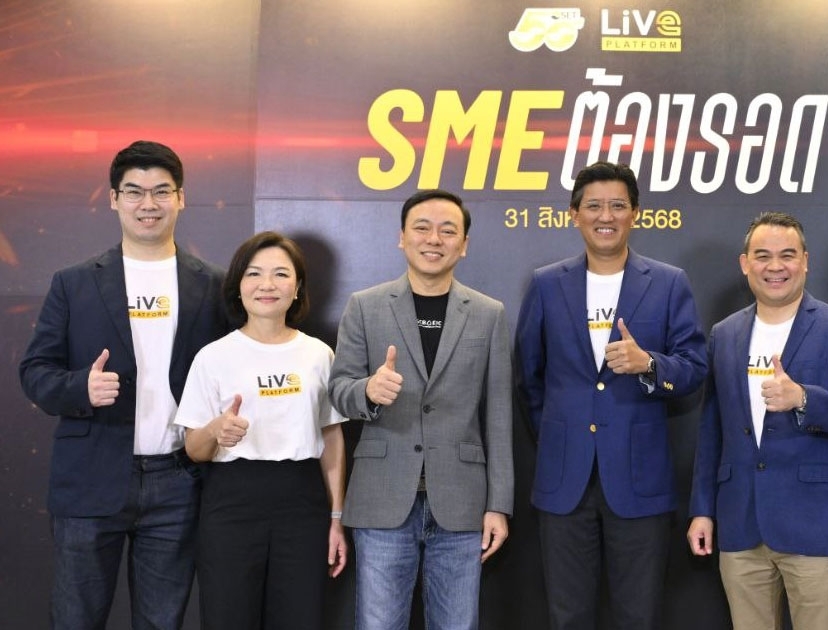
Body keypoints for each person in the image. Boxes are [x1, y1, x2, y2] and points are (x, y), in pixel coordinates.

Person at [18, 140, 229, 629]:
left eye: (161, 191)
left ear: (181, 198)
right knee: (76, 619)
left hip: (179, 481)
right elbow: (35, 371)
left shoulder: (213, 285)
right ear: (114, 199)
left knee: (162, 622)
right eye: (134, 192)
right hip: (89, 478)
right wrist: (80, 389)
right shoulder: (73, 282)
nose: (147, 204)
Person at [516, 161, 707, 630]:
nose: (606, 216)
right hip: (565, 481)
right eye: (594, 206)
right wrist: (561, 436)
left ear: (635, 213)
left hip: (640, 479)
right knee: (568, 616)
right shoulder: (546, 283)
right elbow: (529, 378)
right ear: (574, 214)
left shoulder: (668, 282)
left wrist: (650, 365)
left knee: (639, 616)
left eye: (618, 205)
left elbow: (694, 368)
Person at [329, 189, 513, 630]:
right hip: (383, 497)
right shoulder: (365, 306)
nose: (434, 239)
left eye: (448, 231)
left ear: (464, 244)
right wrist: (369, 390)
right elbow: (338, 390)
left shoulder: (488, 313)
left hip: (463, 502)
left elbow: (499, 415)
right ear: (402, 237)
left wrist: (499, 505)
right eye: (422, 228)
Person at [687, 211, 828, 630]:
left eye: (787, 255)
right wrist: (702, 510)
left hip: (816, 526)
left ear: (805, 261)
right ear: (745, 263)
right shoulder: (724, 334)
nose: (775, 267)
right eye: (763, 255)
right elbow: (711, 430)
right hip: (740, 525)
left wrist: (803, 398)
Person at [173, 231, 347, 629]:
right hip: (231, 503)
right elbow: (194, 449)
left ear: (297, 287)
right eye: (254, 274)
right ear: (238, 285)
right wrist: (216, 430)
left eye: (280, 274)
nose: (267, 284)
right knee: (228, 617)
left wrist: (336, 517)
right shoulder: (213, 357)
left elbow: (332, 438)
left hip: (302, 503)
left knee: (300, 618)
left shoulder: (319, 354)